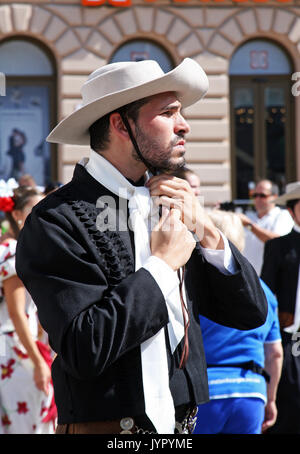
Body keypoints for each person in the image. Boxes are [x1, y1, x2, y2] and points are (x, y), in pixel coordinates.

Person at [15, 58, 267, 435]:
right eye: (168, 113)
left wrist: (210, 234)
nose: (184, 125)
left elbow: (250, 313)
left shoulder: (172, 204)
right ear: (120, 124)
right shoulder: (56, 219)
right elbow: (86, 348)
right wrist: (162, 266)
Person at [192, 210, 283, 434]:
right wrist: (271, 399)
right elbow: (275, 354)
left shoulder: (197, 287)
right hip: (252, 390)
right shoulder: (264, 293)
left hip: (207, 388)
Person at [0, 185, 56, 434]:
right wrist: (39, 362)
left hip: (28, 345)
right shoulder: (13, 251)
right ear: (18, 215)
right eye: (35, 210)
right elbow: (17, 313)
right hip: (15, 349)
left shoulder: (33, 251)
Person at [261, 182, 300, 434]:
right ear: (292, 211)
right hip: (289, 337)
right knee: (291, 402)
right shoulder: (278, 247)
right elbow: (265, 294)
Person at [239, 179, 294, 276]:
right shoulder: (248, 216)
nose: (258, 199)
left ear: (275, 197)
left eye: (263, 196)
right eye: (255, 195)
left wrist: (250, 226)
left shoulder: (282, 215)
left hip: (271, 279)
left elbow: (277, 241)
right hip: (249, 279)